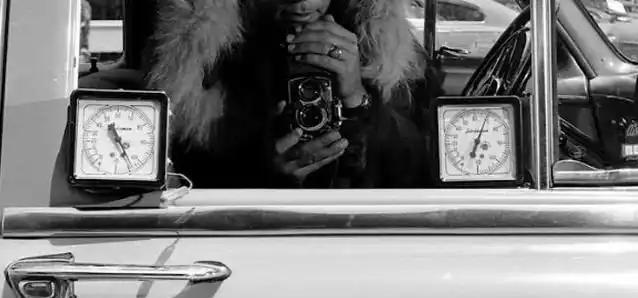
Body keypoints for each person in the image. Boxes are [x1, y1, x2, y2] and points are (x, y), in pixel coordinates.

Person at [144, 0, 441, 189]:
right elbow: (177, 182)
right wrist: (263, 172)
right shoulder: (205, 61)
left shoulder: (389, 53)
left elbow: (422, 172)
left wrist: (358, 99)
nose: (301, 2)